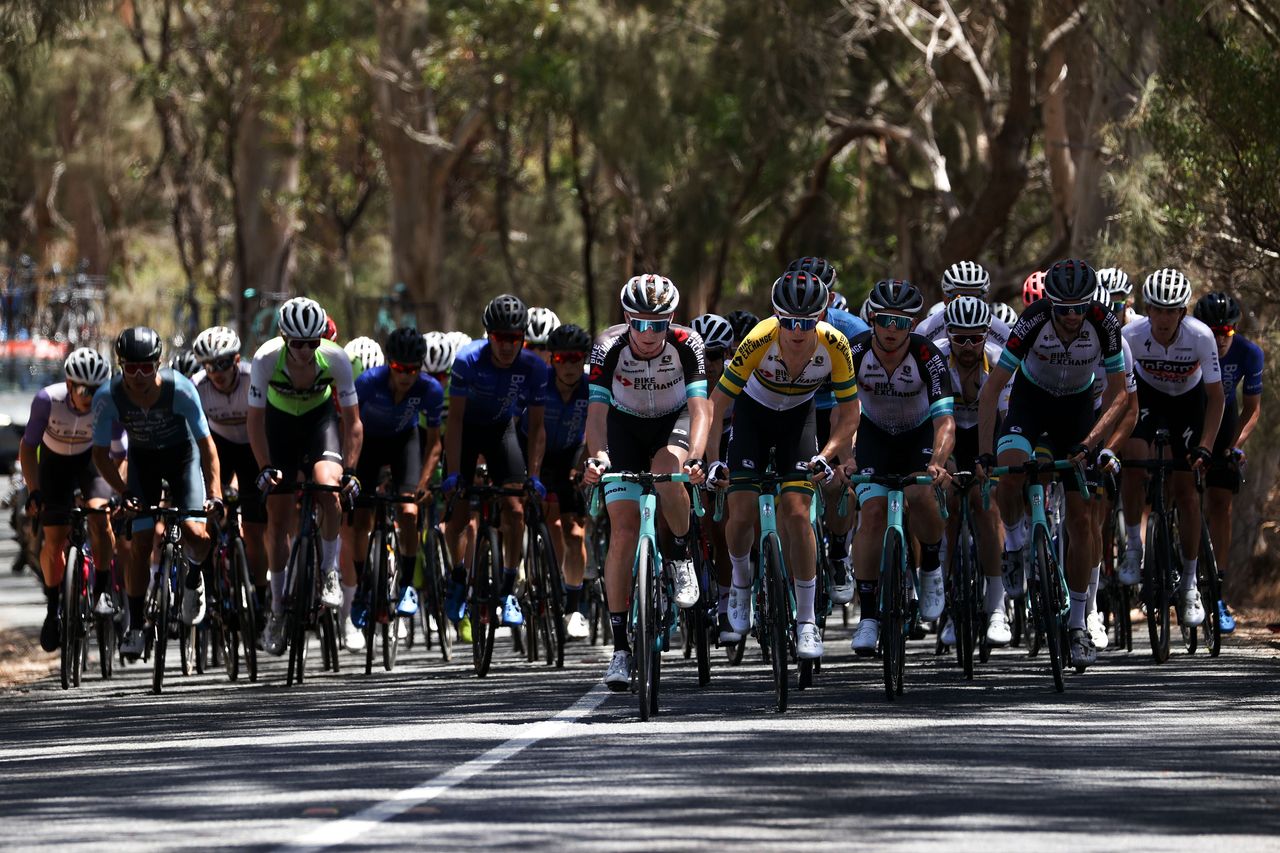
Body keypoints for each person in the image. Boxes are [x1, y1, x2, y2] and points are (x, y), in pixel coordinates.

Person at [979, 259, 1129, 669]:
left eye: (1079, 307)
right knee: (1009, 474)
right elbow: (992, 390)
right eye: (1063, 308)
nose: (1071, 316)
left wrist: (1091, 443)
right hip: (1031, 403)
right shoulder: (1032, 320)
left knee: (1082, 520)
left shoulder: (1105, 324)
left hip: (1078, 414)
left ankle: (1079, 624)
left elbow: (1119, 397)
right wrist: (985, 454)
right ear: (1050, 304)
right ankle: (1013, 546)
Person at [706, 270, 859, 661]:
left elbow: (848, 412)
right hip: (753, 418)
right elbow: (718, 404)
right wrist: (709, 462)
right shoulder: (759, 338)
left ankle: (806, 622)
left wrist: (827, 455)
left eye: (806, 322)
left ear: (821, 316)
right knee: (740, 510)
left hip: (798, 421)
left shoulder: (835, 345)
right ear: (776, 315)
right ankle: (740, 587)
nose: (797, 330)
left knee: (797, 513)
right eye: (788, 320)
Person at [581, 274, 710, 690]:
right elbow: (597, 416)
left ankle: (678, 555)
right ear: (627, 319)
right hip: (623, 426)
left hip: (673, 422)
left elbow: (701, 409)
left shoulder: (688, 342)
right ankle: (620, 649)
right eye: (640, 324)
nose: (649, 333)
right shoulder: (608, 346)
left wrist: (695, 458)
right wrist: (598, 459)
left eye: (658, 324)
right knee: (622, 530)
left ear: (670, 320)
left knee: (666, 470)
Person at [91, 327, 223, 657]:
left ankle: (194, 577)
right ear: (120, 365)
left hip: (183, 458)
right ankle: (136, 626)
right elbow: (100, 455)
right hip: (143, 463)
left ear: (158, 363)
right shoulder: (108, 396)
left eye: (146, 367)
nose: (138, 375)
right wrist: (123, 492)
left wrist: (215, 494)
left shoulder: (181, 389)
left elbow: (207, 448)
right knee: (141, 540)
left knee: (196, 532)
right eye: (130, 367)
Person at [845, 280, 954, 656]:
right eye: (886, 320)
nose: (892, 330)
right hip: (873, 435)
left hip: (918, 435)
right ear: (873, 318)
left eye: (902, 323)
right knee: (872, 514)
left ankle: (932, 568)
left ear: (914, 324)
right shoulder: (855, 351)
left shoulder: (928, 356)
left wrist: (938, 463)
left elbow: (945, 422)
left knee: (921, 493)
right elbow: (843, 413)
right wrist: (846, 455)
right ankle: (869, 617)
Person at [249, 297, 363, 656]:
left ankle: (329, 572)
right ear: (284, 338)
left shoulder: (336, 359)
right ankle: (278, 609)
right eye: (296, 343)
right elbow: (254, 421)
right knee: (278, 517)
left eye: (311, 342)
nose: (303, 351)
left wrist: (352, 470)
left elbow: (353, 422)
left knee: (329, 490)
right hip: (279, 427)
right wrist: (265, 466)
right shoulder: (266, 358)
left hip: (318, 424)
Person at [1119, 269, 1224, 630]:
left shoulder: (1201, 336)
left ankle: (1191, 583)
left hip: (1189, 403)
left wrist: (1207, 445)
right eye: (1156, 310)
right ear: (1147, 310)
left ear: (1183, 311)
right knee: (1133, 459)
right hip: (1147, 398)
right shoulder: (1129, 335)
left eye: (1171, 310)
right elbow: (1119, 394)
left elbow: (1216, 397)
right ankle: (1133, 546)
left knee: (1185, 490)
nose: (1163, 319)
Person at [441, 295, 549, 632]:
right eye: (500, 338)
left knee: (515, 511)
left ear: (522, 339)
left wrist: (533, 475)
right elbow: (455, 421)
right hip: (468, 432)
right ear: (488, 336)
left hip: (502, 431)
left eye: (514, 338)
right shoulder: (467, 360)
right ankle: (459, 577)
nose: (506, 345)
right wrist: (456, 473)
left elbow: (536, 427)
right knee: (458, 513)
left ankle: (506, 591)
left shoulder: (534, 368)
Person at [343, 327, 444, 651]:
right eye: (400, 369)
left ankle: (405, 587)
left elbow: (434, 443)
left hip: (405, 444)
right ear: (390, 364)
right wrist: (350, 472)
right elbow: (351, 427)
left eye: (413, 370)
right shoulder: (368, 383)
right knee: (361, 520)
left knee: (409, 511)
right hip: (368, 446)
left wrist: (423, 485)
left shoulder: (429, 390)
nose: (406, 376)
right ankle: (361, 589)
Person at [785, 256, 869, 605]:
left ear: (830, 299)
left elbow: (860, 396)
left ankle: (838, 552)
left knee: (839, 479)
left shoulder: (851, 329)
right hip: (794, 410)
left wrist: (846, 454)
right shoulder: (782, 323)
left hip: (838, 407)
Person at [21, 347, 117, 651]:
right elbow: (27, 449)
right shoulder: (47, 400)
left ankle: (102, 592)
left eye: (96, 389)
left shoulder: (109, 403)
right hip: (54, 467)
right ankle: (52, 610)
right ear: (68, 383)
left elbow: (121, 452)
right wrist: (34, 489)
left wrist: (119, 492)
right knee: (54, 539)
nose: (89, 396)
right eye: (81, 388)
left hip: (92, 464)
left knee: (100, 519)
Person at [932, 297, 1013, 647]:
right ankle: (950, 608)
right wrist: (941, 460)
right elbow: (928, 417)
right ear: (948, 334)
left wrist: (990, 459)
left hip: (986, 433)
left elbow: (1008, 418)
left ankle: (997, 606)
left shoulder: (997, 360)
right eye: (960, 338)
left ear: (986, 335)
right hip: (945, 433)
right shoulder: (935, 359)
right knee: (947, 506)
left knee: (987, 503)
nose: (967, 346)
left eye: (975, 338)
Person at [190, 325, 270, 634]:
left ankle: (261, 598)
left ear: (237, 360)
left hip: (252, 448)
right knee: (208, 519)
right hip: (219, 449)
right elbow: (194, 440)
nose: (218, 372)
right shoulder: (197, 386)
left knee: (253, 528)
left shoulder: (254, 379)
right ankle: (210, 592)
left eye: (224, 363)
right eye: (211, 365)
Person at [523, 323, 592, 640]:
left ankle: (573, 608)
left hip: (571, 456)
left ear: (584, 359)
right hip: (534, 453)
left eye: (575, 358)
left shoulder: (592, 388)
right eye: (562, 359)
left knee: (576, 532)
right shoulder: (538, 384)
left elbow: (596, 433)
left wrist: (584, 465)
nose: (568, 366)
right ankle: (542, 575)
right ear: (552, 359)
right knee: (550, 519)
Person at [1195, 291, 1260, 631]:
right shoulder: (1189, 345)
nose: (1220, 338)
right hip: (1189, 418)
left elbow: (1252, 411)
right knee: (1183, 491)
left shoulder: (1249, 353)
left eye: (1227, 332)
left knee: (1221, 503)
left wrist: (1235, 447)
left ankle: (1217, 592)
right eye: (1213, 331)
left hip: (1224, 424)